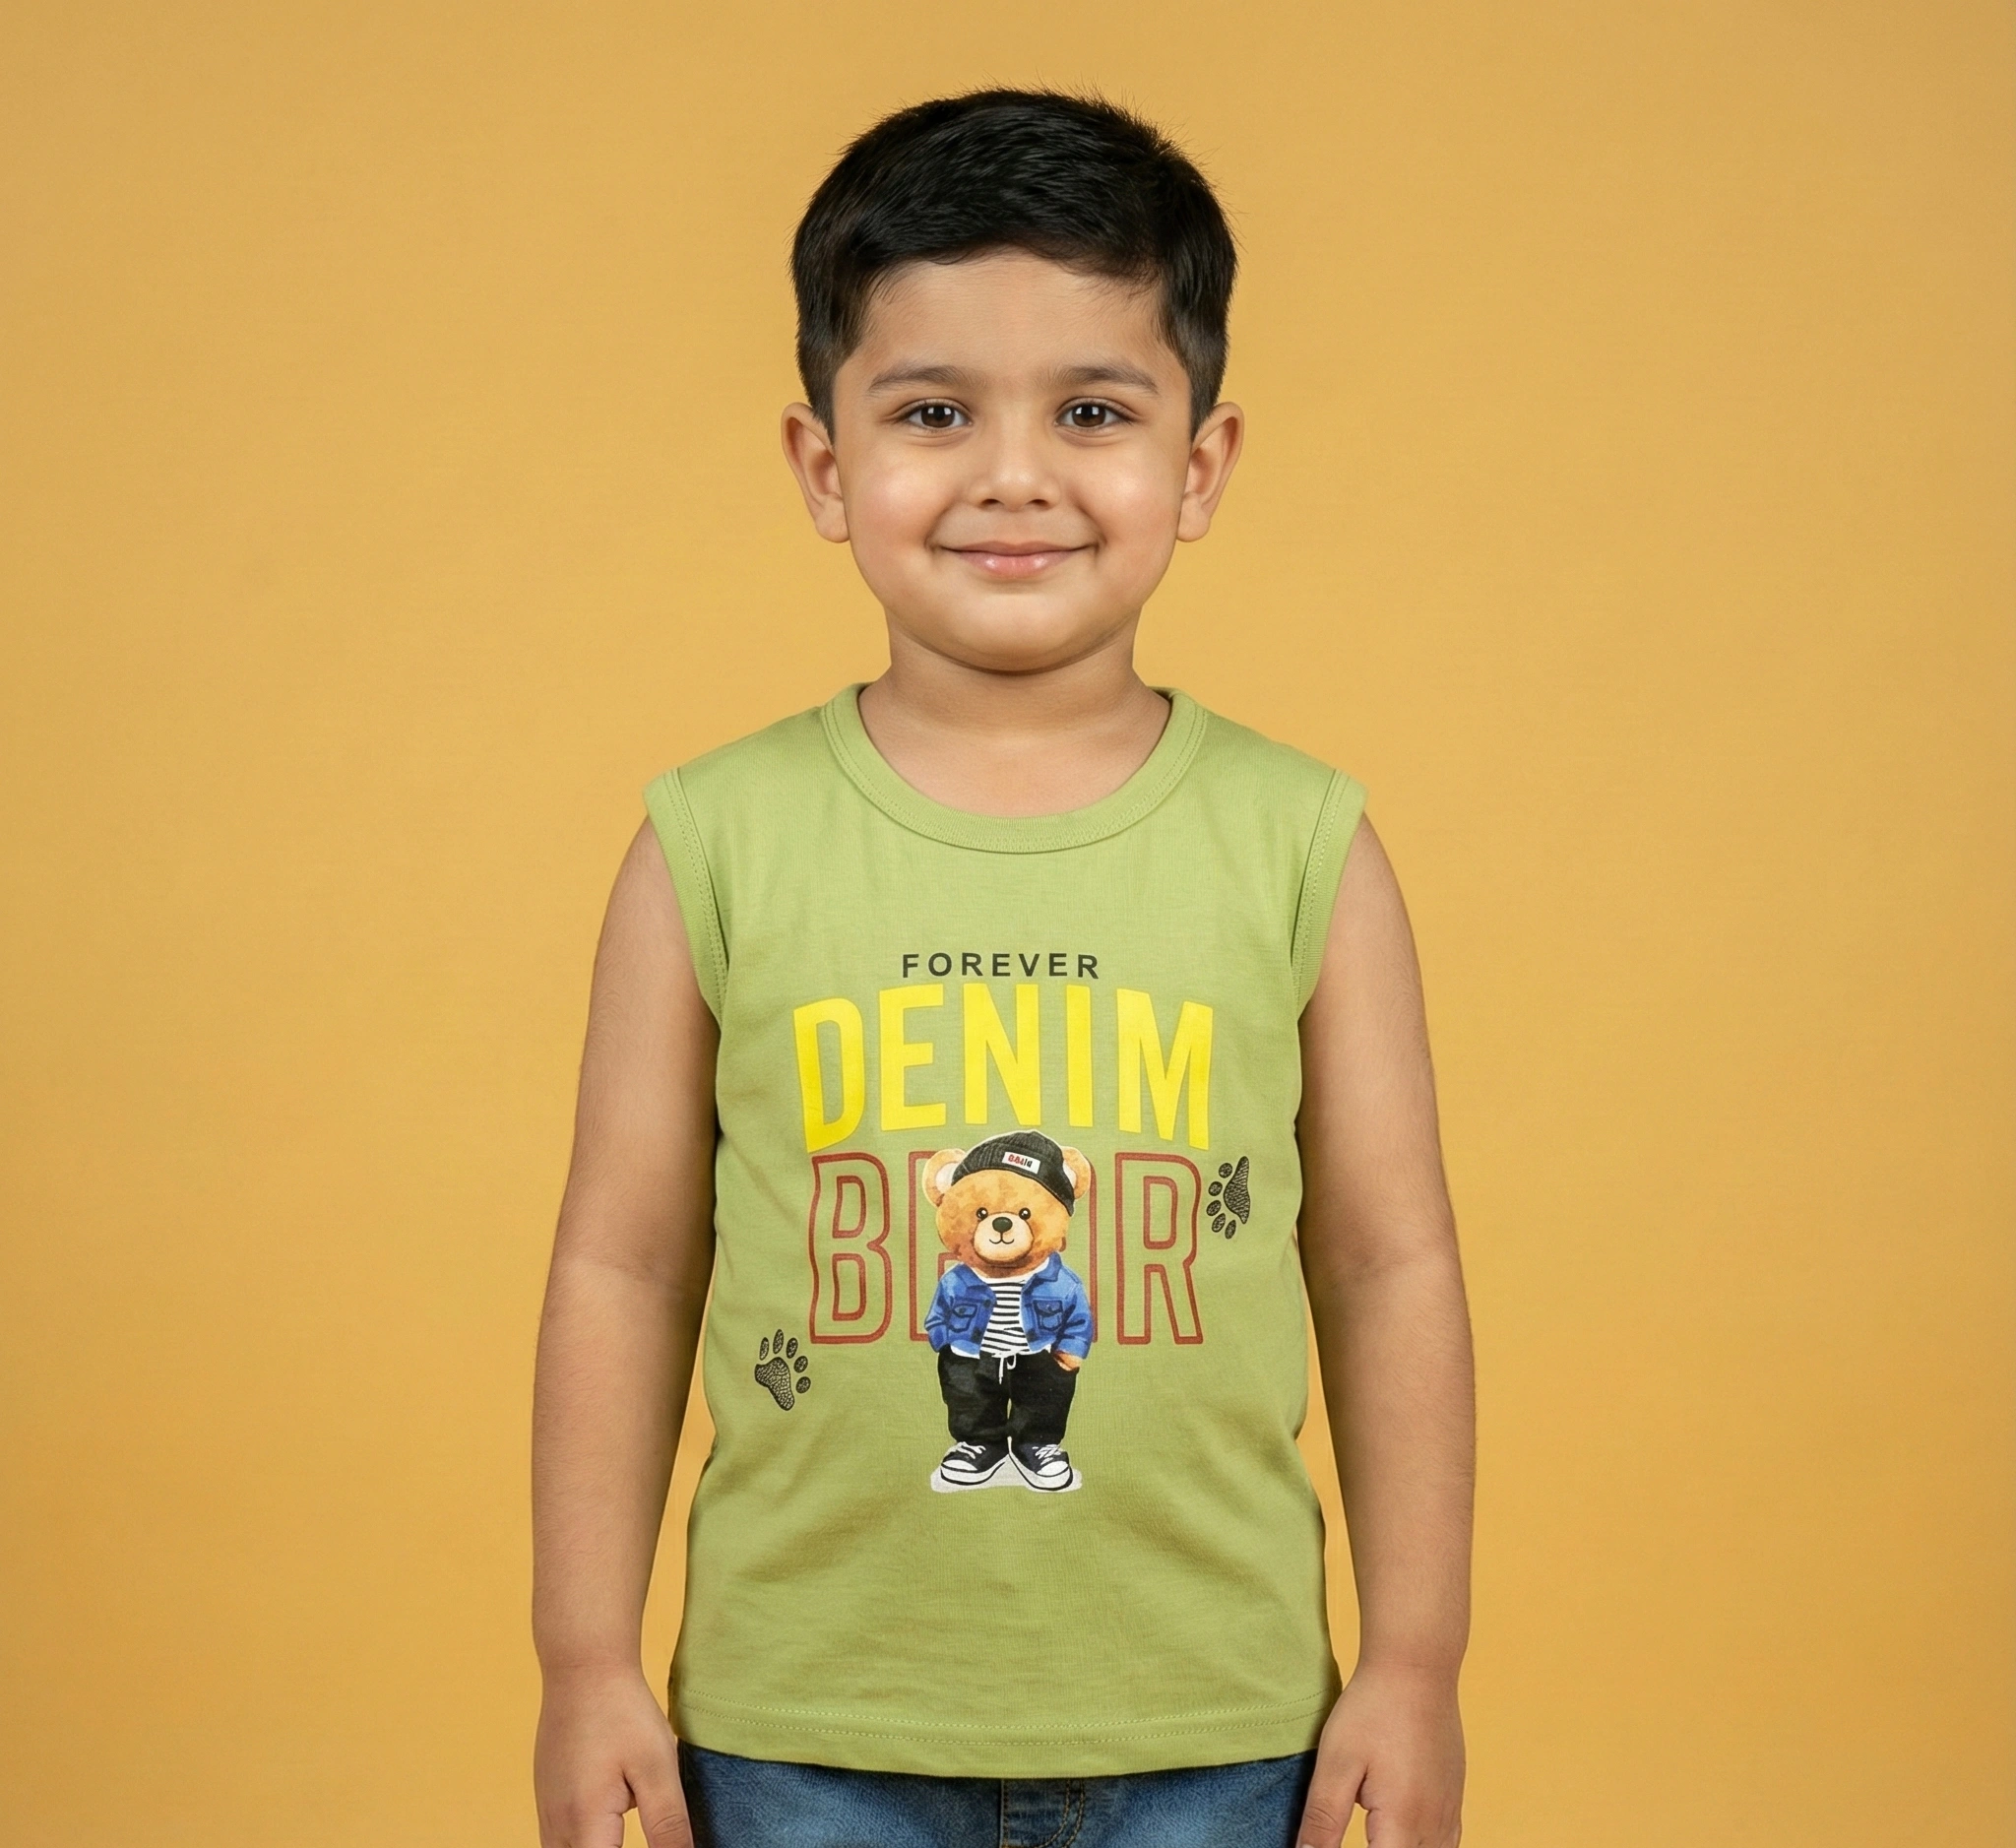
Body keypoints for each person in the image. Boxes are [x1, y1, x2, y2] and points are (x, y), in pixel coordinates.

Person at [531, 89, 1474, 1848]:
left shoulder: (1304, 845)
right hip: (807, 1731)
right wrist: (584, 1663)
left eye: (1093, 410)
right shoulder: (712, 842)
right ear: (827, 464)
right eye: (934, 411)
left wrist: (1415, 1664)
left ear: (1200, 464)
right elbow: (626, 1265)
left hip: (1216, 1726)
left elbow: (1384, 1261)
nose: (1014, 474)